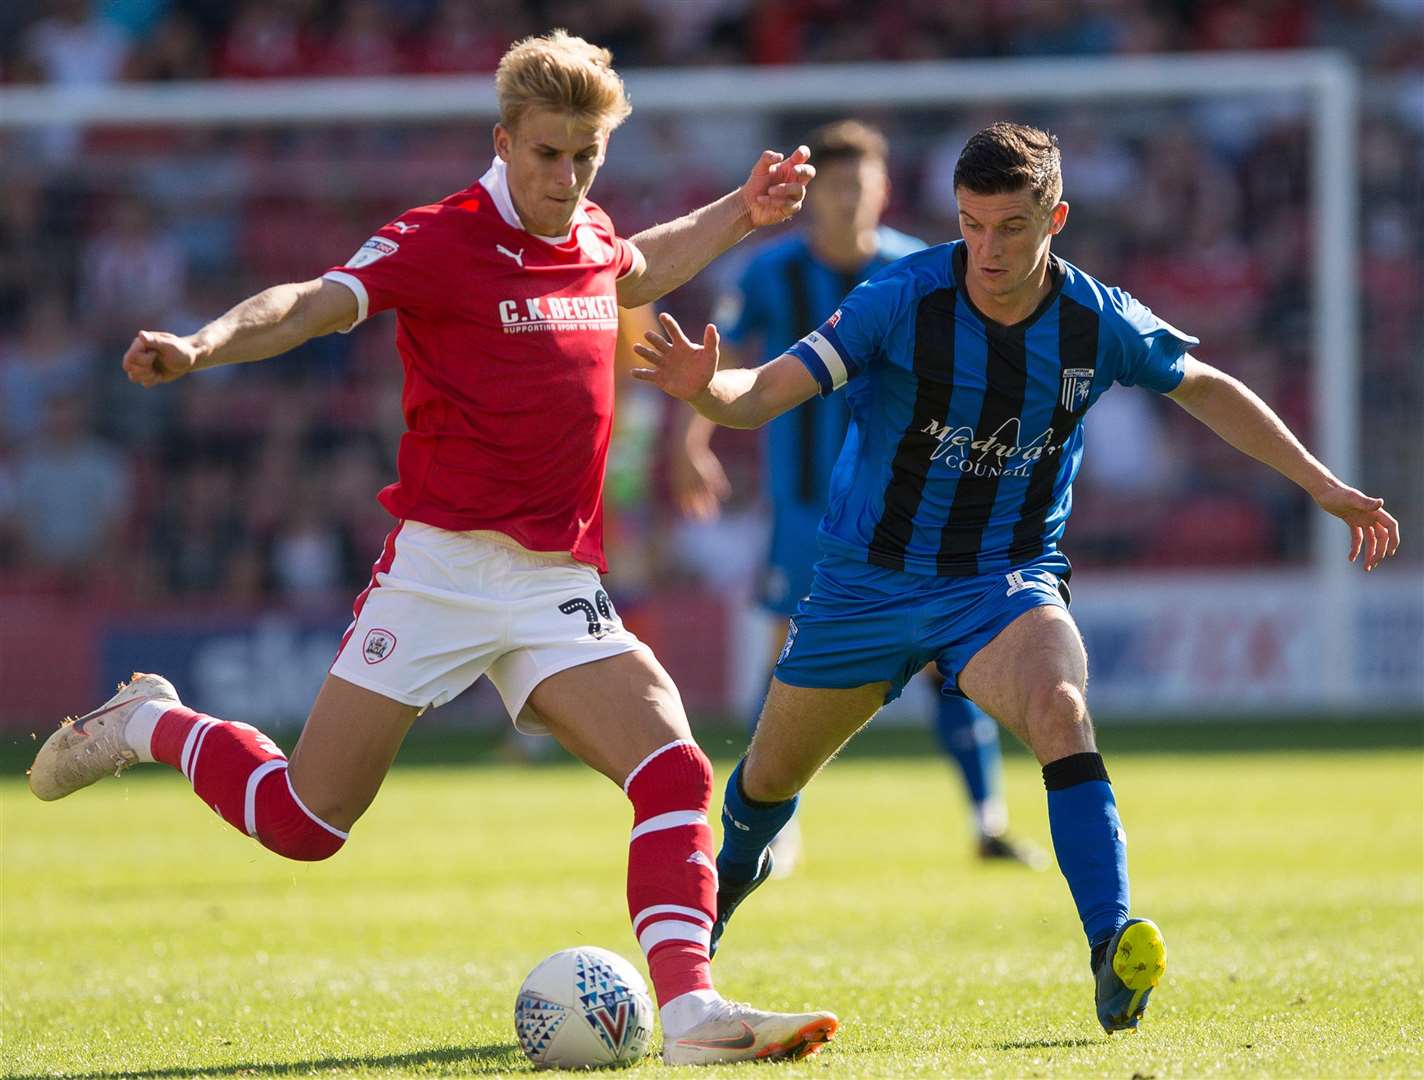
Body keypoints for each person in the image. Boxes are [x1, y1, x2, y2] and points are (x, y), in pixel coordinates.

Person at [27, 30, 838, 1067]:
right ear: (503, 141)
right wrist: (203, 343)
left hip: (556, 585)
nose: (568, 175)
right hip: (439, 572)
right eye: (547, 153)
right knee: (303, 824)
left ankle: (690, 1016)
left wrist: (738, 212)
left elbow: (636, 266)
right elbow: (308, 304)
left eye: (585, 155)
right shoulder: (436, 237)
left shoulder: (587, 231)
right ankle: (155, 724)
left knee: (674, 771)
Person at [631, 121, 1400, 1033]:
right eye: (970, 226)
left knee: (1060, 709)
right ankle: (700, 943)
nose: (986, 251)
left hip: (1001, 581)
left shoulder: (1095, 319)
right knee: (762, 786)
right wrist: (702, 391)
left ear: (1056, 218)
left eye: (1010, 228)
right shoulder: (902, 299)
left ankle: (1114, 945)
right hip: (865, 583)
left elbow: (1205, 385)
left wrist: (1322, 483)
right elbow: (761, 394)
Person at [671, 119, 1046, 877]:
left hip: (916, 507)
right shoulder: (771, 274)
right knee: (790, 662)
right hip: (808, 506)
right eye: (833, 187)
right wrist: (691, 442)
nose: (846, 201)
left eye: (859, 185)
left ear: (882, 190)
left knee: (953, 656)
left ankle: (987, 818)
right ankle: (774, 825)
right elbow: (727, 362)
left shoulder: (922, 270)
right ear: (813, 200)